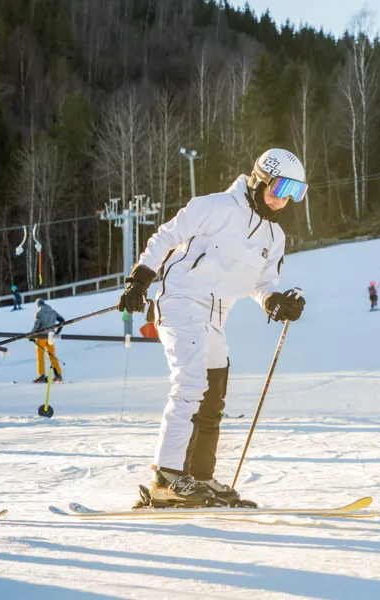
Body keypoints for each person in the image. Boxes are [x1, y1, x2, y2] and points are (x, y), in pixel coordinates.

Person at [117, 148, 307, 508]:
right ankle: (166, 477)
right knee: (190, 383)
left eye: (294, 193)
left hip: (216, 315)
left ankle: (199, 477)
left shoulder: (274, 237)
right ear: (259, 179)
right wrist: (140, 279)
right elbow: (165, 237)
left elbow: (262, 283)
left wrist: (276, 302)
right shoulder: (216, 206)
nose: (283, 200)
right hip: (181, 301)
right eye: (279, 187)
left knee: (213, 397)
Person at [30, 298, 64, 383]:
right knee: (52, 354)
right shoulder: (53, 311)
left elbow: (37, 325)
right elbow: (62, 320)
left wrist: (31, 335)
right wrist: (58, 331)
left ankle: (41, 375)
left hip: (41, 336)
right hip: (51, 336)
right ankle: (58, 374)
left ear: (38, 304)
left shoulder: (38, 312)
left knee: (40, 356)